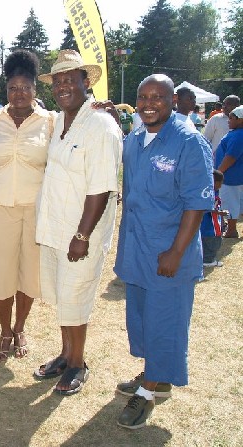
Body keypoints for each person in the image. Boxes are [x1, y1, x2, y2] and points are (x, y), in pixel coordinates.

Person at [114, 74, 213, 429]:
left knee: (165, 322)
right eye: (143, 97)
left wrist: (176, 251)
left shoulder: (188, 141)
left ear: (173, 101)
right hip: (138, 249)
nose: (149, 103)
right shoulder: (135, 139)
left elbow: (196, 204)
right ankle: (153, 374)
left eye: (158, 97)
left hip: (169, 253)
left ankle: (151, 391)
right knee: (142, 319)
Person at [33, 49, 122, 395]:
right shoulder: (60, 122)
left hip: (80, 233)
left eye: (70, 79)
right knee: (63, 297)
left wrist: (82, 234)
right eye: (58, 81)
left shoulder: (101, 125)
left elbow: (101, 187)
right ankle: (65, 354)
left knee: (76, 296)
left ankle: (77, 364)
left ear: (87, 83)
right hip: (56, 228)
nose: (63, 86)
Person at [0, 49, 56, 361]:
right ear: (6, 91)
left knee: (30, 273)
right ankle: (4, 330)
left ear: (35, 90)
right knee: (2, 274)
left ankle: (21, 326)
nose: (19, 93)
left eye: (25, 87)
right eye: (13, 88)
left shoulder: (50, 121)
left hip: (36, 209)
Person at [215, 105, 243, 238]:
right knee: (236, 202)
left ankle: (231, 230)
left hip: (230, 177)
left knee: (230, 203)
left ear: (240, 120)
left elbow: (231, 157)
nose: (228, 120)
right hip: (236, 176)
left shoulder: (238, 136)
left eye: (231, 118)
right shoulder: (236, 133)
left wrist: (219, 172)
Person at [201, 170, 227, 267]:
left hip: (208, 225)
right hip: (210, 226)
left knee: (208, 242)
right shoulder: (210, 193)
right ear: (214, 182)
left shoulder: (209, 191)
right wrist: (221, 213)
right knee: (214, 242)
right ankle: (208, 261)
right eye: (220, 183)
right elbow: (209, 209)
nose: (221, 185)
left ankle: (206, 259)